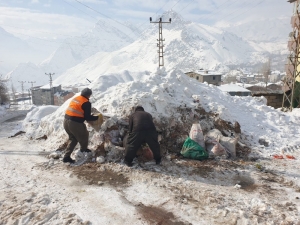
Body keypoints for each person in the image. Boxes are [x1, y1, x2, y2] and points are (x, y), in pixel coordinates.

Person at [63, 88, 98, 163]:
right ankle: (83, 151)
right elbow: (87, 117)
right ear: (89, 95)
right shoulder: (86, 103)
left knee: (73, 139)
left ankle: (66, 157)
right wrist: (97, 117)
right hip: (74, 123)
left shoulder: (76, 98)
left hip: (66, 121)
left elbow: (78, 109)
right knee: (84, 135)